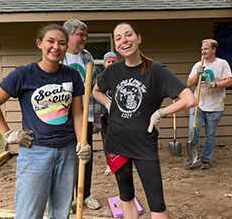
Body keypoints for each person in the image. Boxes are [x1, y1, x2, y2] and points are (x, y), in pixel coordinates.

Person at [0, 24, 91, 219]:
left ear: (67, 48)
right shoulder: (24, 74)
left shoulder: (72, 75)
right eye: (50, 41)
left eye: (62, 43)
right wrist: (8, 134)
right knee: (29, 212)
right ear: (40, 43)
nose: (56, 47)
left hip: (67, 152)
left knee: (61, 212)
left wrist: (82, 142)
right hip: (35, 152)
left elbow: (77, 114)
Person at [93, 22, 196, 219]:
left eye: (128, 35)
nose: (125, 40)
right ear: (115, 46)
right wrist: (108, 103)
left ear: (138, 38)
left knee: (157, 204)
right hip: (116, 142)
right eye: (119, 38)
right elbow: (96, 91)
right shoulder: (112, 71)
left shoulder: (157, 71)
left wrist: (160, 113)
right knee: (126, 196)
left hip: (144, 143)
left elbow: (189, 99)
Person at [62, 18, 101, 210]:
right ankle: (67, 198)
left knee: (86, 157)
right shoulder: (59, 57)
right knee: (67, 158)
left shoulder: (88, 57)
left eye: (85, 35)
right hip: (64, 117)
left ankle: (85, 195)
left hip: (86, 117)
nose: (84, 38)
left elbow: (94, 88)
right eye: (80, 34)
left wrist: (96, 118)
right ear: (69, 36)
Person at [184, 39, 232, 170]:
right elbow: (189, 84)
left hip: (215, 105)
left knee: (210, 135)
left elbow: (229, 81)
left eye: (205, 49)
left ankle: (206, 160)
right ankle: (193, 158)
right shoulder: (197, 65)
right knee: (193, 132)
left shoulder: (222, 64)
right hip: (198, 104)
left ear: (213, 50)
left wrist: (215, 85)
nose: (203, 51)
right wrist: (198, 73)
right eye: (202, 49)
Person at [99, 51, 118, 176]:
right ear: (105, 64)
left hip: (117, 114)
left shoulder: (120, 76)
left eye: (113, 62)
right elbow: (96, 94)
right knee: (106, 139)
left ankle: (120, 162)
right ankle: (109, 164)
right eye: (108, 62)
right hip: (104, 114)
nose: (111, 64)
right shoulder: (100, 77)